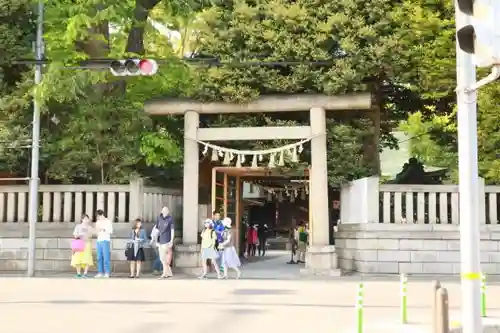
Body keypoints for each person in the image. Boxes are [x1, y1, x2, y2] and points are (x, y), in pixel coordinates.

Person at [155, 206, 175, 279]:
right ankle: (169, 272)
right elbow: (156, 230)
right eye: (164, 210)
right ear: (161, 211)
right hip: (160, 240)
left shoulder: (170, 219)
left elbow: (172, 230)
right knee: (161, 258)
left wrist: (171, 240)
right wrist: (155, 240)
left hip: (167, 240)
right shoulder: (159, 218)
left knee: (165, 258)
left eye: (167, 210)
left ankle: (164, 273)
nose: (165, 211)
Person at [95, 209, 113, 278]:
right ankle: (100, 272)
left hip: (105, 240)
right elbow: (96, 231)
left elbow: (111, 231)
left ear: (102, 215)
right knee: (99, 257)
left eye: (98, 216)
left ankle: (107, 272)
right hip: (99, 240)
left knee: (106, 257)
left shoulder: (108, 221)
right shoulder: (97, 222)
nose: (98, 218)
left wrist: (103, 229)